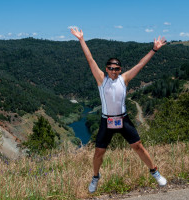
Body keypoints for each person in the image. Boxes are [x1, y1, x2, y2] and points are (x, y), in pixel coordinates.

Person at [70, 27, 167, 193]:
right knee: (98, 153)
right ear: (106, 69)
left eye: (116, 68)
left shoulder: (125, 79)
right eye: (110, 68)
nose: (113, 71)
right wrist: (81, 40)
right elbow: (90, 60)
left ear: (120, 70)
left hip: (123, 120)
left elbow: (140, 64)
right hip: (106, 121)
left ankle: (155, 172)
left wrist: (154, 50)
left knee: (138, 147)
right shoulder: (101, 79)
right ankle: (95, 177)